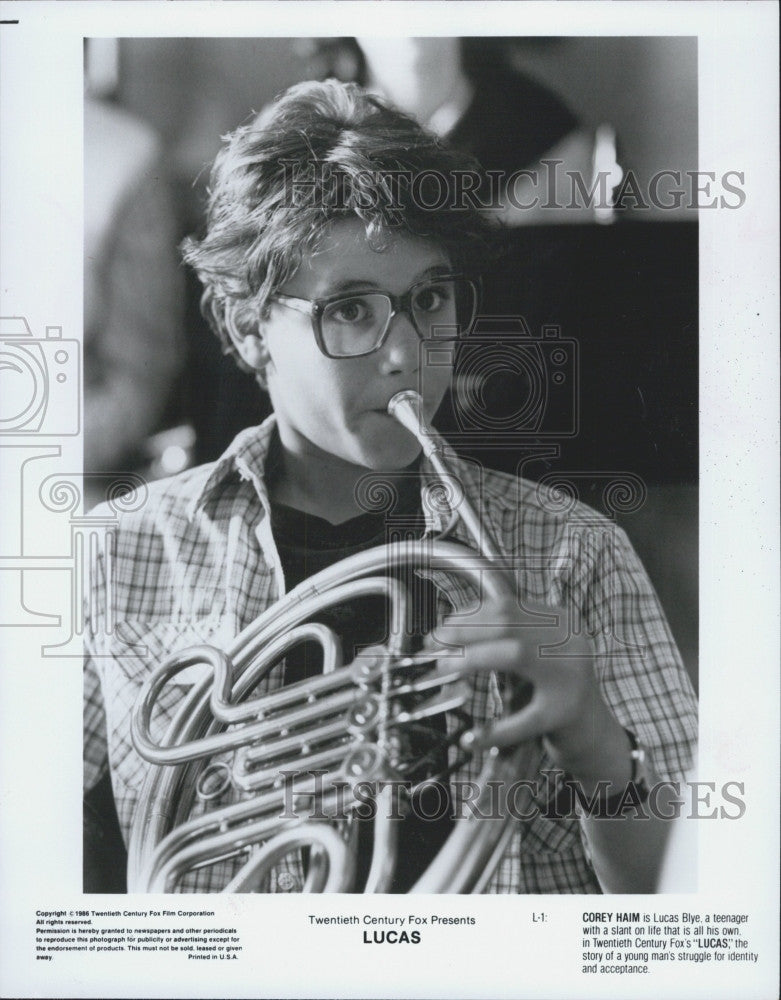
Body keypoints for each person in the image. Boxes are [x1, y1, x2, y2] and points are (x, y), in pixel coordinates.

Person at [83, 79, 697, 894]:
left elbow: (694, 903)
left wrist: (591, 737)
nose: (406, 353)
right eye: (350, 311)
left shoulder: (573, 553)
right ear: (247, 328)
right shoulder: (116, 551)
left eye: (429, 300)